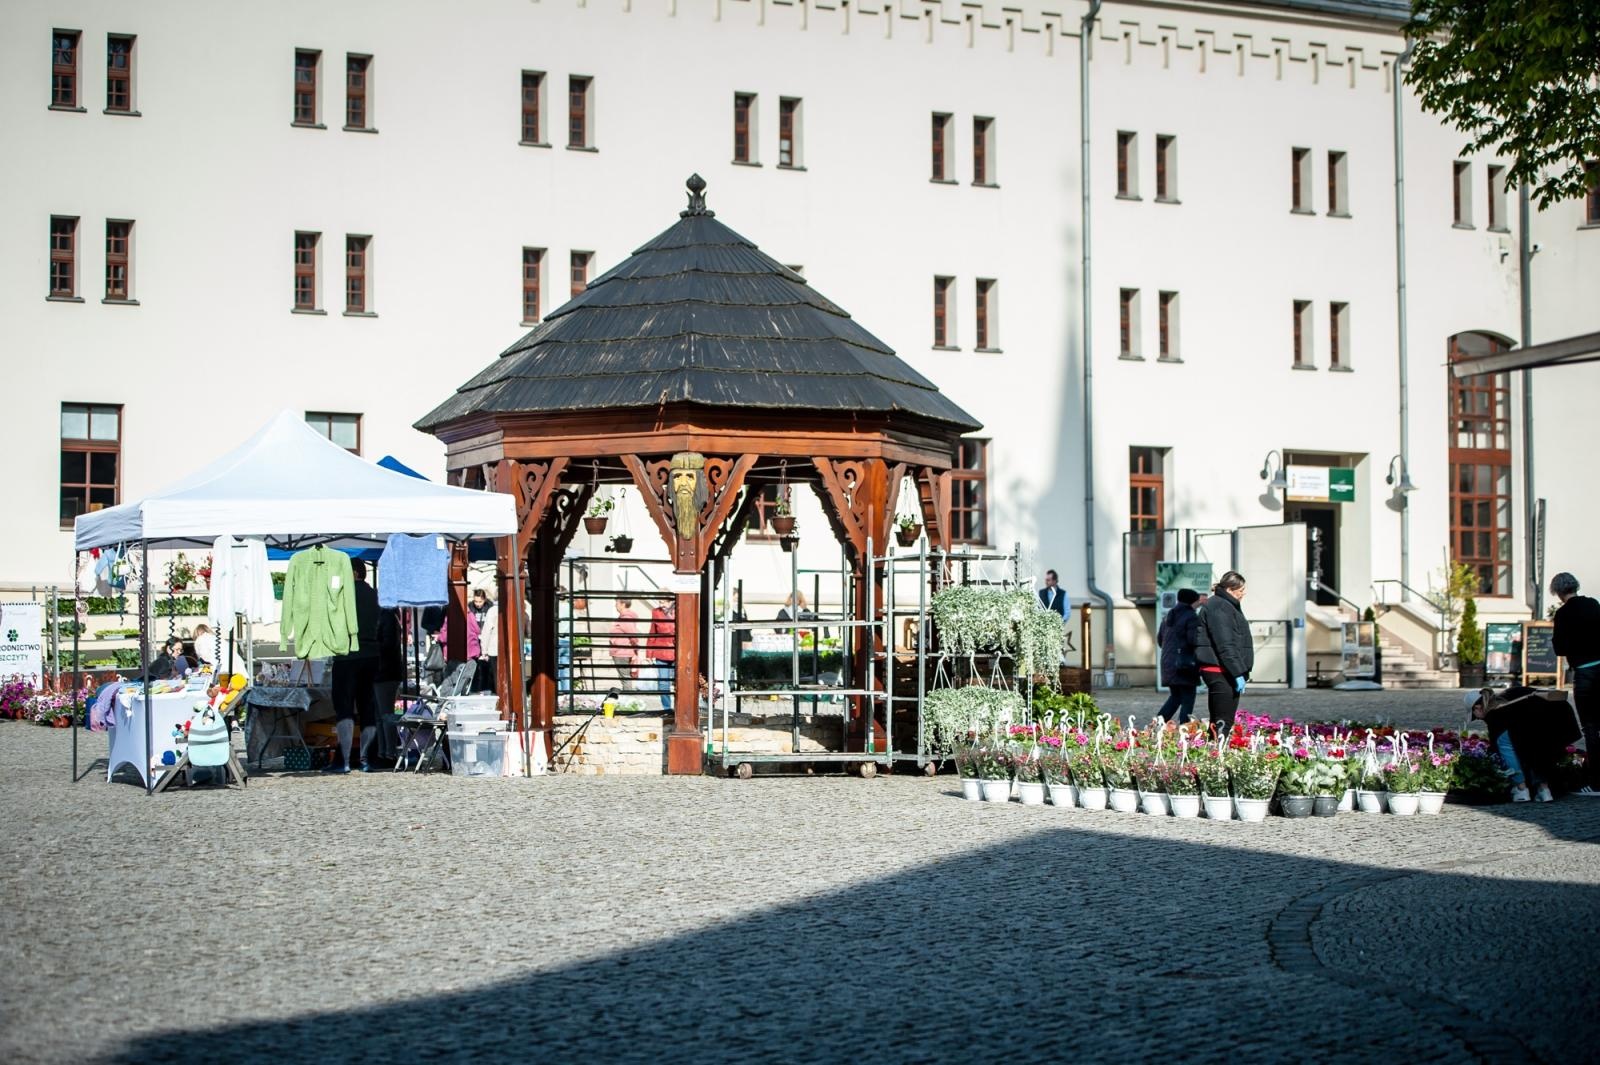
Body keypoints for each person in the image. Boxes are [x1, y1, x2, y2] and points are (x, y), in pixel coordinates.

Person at [1469, 686, 1578, 802]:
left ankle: (1521, 789)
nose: (1478, 719)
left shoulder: (1495, 714)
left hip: (1546, 717)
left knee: (1503, 743)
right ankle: (1544, 790)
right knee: (1535, 744)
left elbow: (1498, 746)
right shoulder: (1507, 696)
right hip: (1560, 715)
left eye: (1474, 716)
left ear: (1477, 708)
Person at [328, 558, 380, 773]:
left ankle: (345, 760)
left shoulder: (343, 594)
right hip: (371, 655)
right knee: (367, 706)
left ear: (355, 573)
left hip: (347, 654)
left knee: (345, 708)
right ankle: (367, 758)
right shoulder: (375, 595)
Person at [1550, 572, 1600, 797]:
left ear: (1559, 592)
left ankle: (1596, 783)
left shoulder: (1563, 613)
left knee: (1591, 727)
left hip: (1585, 672)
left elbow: (1559, 648)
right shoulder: (1593, 604)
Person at [1195, 570, 1252, 736]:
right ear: (1229, 590)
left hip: (1224, 668)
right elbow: (1225, 643)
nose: (1243, 594)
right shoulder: (1219, 607)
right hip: (1220, 670)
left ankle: (1215, 752)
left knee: (1221, 721)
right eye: (1240, 590)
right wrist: (1237, 672)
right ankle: (1217, 755)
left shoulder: (1224, 605)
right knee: (1222, 721)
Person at [1155, 588, 1201, 724]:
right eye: (1198, 601)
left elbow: (1160, 640)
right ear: (1192, 601)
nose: (1199, 603)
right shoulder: (1191, 616)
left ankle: (1157, 724)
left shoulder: (1169, 616)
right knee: (1187, 698)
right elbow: (1193, 640)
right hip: (1185, 665)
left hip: (1168, 665)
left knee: (1176, 697)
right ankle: (1185, 729)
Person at [369, 607, 405, 768]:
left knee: (385, 715)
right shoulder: (386, 616)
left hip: (385, 671)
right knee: (380, 715)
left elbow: (389, 645)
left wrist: (371, 644)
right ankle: (383, 752)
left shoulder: (388, 617)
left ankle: (389, 753)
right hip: (381, 671)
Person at [647, 599, 675, 712]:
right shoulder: (656, 612)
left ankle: (680, 709)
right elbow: (652, 632)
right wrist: (649, 653)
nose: (661, 605)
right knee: (663, 683)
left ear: (671, 602)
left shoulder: (679, 611)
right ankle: (667, 709)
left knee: (681, 682)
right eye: (660, 602)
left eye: (664, 602)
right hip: (661, 651)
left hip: (678, 651)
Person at [470, 587, 499, 693]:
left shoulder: (490, 608)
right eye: (476, 601)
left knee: (488, 669)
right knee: (476, 667)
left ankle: (487, 688)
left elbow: (487, 629)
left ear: (484, 600)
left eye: (480, 601)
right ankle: (477, 688)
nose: (478, 604)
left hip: (487, 642)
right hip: (475, 640)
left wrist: (485, 649)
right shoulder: (470, 607)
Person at [611, 598, 640, 682]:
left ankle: (628, 694)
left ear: (623, 604)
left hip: (622, 652)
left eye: (617, 603)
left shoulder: (625, 618)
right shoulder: (623, 617)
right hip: (621, 651)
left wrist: (636, 649)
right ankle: (627, 694)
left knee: (625, 678)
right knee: (624, 678)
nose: (615, 605)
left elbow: (633, 635)